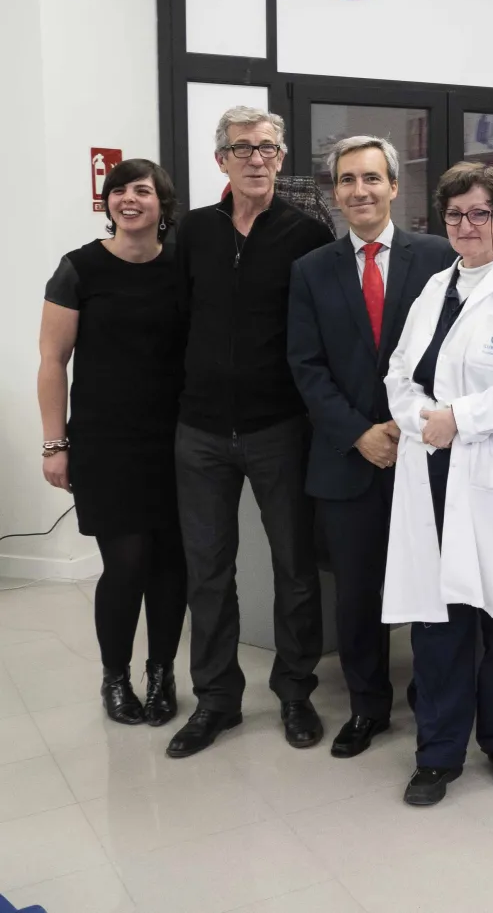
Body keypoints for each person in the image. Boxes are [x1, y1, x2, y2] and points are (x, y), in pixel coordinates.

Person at [383, 162, 493, 807]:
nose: (465, 226)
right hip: (431, 469)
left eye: (479, 214)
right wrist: (420, 420)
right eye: (455, 215)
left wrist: (458, 418)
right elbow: (399, 374)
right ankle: (437, 754)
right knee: (440, 621)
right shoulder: (434, 288)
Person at [168, 107, 335, 758]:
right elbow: (172, 323)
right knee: (207, 571)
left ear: (279, 154)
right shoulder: (194, 233)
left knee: (295, 568)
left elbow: (327, 327)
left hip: (278, 427)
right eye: (244, 148)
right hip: (200, 430)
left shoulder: (306, 234)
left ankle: (295, 691)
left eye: (268, 148)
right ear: (222, 161)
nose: (257, 159)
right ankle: (216, 699)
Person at [288, 136, 455, 758]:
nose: (361, 190)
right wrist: (359, 432)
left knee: (431, 583)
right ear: (335, 194)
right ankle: (367, 706)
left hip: (426, 453)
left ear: (393, 187)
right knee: (357, 593)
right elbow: (305, 366)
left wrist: (406, 425)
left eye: (372, 179)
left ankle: (433, 698)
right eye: (348, 180)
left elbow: (449, 353)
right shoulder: (311, 271)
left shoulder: (439, 257)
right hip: (347, 458)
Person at [38, 159, 187, 726]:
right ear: (107, 203)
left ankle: (162, 674)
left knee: (172, 565)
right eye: (118, 190)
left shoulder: (183, 266)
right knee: (126, 564)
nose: (129, 199)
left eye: (142, 190)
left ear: (161, 203)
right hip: (105, 441)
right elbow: (53, 361)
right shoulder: (79, 269)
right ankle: (116, 677)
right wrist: (55, 444)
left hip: (177, 439)